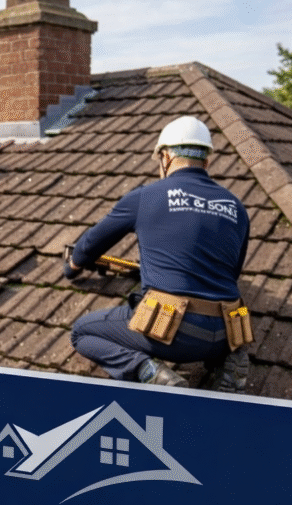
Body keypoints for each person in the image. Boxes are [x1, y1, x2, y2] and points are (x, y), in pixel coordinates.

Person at [67, 116, 252, 390]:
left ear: (165, 157)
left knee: (82, 332)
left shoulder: (147, 196)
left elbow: (91, 244)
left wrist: (72, 266)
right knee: (219, 323)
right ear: (207, 161)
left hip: (171, 332)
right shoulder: (237, 208)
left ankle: (149, 372)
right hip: (225, 331)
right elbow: (233, 271)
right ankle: (227, 360)